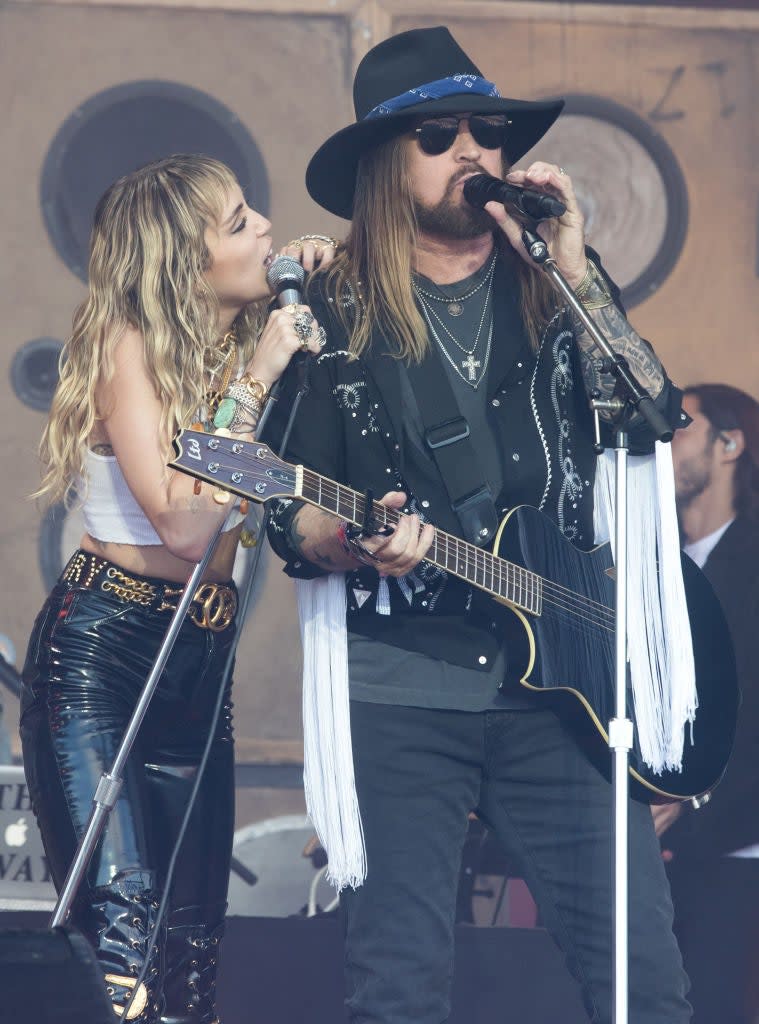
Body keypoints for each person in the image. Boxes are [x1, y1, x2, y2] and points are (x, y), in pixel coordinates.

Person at [265, 25, 694, 1024]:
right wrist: (346, 537)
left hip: (567, 689)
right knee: (399, 982)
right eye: (439, 134)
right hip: (405, 689)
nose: (475, 151)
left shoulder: (555, 287)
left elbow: (653, 417)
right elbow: (286, 510)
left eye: (488, 130)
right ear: (384, 163)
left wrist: (577, 264)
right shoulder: (329, 309)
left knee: (647, 980)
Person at [19, 153, 333, 1024]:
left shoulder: (234, 340)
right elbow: (189, 525)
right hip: (105, 657)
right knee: (124, 955)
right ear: (182, 264)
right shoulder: (131, 348)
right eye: (238, 224)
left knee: (192, 953)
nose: (264, 228)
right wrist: (260, 375)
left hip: (199, 658)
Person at [656, 383, 759, 1023]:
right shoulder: (654, 563)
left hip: (737, 851)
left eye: (681, 425)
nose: (662, 441)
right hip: (665, 847)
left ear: (730, 444)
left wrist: (695, 796)